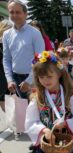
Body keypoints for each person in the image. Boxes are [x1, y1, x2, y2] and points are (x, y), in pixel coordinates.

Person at [3, 0, 45, 139]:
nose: (14, 15)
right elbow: (6, 59)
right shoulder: (7, 35)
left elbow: (40, 59)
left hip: (34, 78)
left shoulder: (34, 33)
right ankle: (33, 139)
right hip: (15, 79)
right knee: (22, 112)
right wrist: (9, 79)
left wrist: (29, 80)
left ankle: (41, 142)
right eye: (11, 12)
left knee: (37, 111)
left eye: (18, 12)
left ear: (25, 14)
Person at [0, 20, 12, 111]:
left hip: (9, 72)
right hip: (2, 73)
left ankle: (9, 119)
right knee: (3, 94)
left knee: (7, 95)